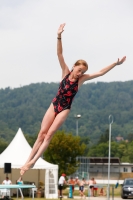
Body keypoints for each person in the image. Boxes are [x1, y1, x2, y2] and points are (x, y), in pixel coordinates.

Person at [20, 23, 126, 176]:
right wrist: (59, 36)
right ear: (74, 66)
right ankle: (27, 161)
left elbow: (101, 72)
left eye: (82, 72)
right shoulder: (65, 72)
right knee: (42, 133)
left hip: (64, 108)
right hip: (54, 104)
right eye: (79, 70)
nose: (79, 73)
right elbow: (60, 54)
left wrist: (116, 63)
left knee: (49, 135)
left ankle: (34, 161)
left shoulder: (81, 80)